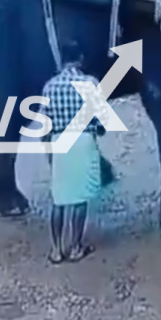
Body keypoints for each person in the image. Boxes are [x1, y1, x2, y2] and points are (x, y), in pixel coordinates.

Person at [39, 41, 110, 264]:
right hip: (83, 140)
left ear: (61, 59)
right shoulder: (90, 83)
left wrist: (48, 150)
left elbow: (44, 125)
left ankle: (56, 250)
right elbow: (102, 122)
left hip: (60, 141)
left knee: (59, 198)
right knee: (79, 198)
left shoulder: (50, 86)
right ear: (80, 59)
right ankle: (76, 247)